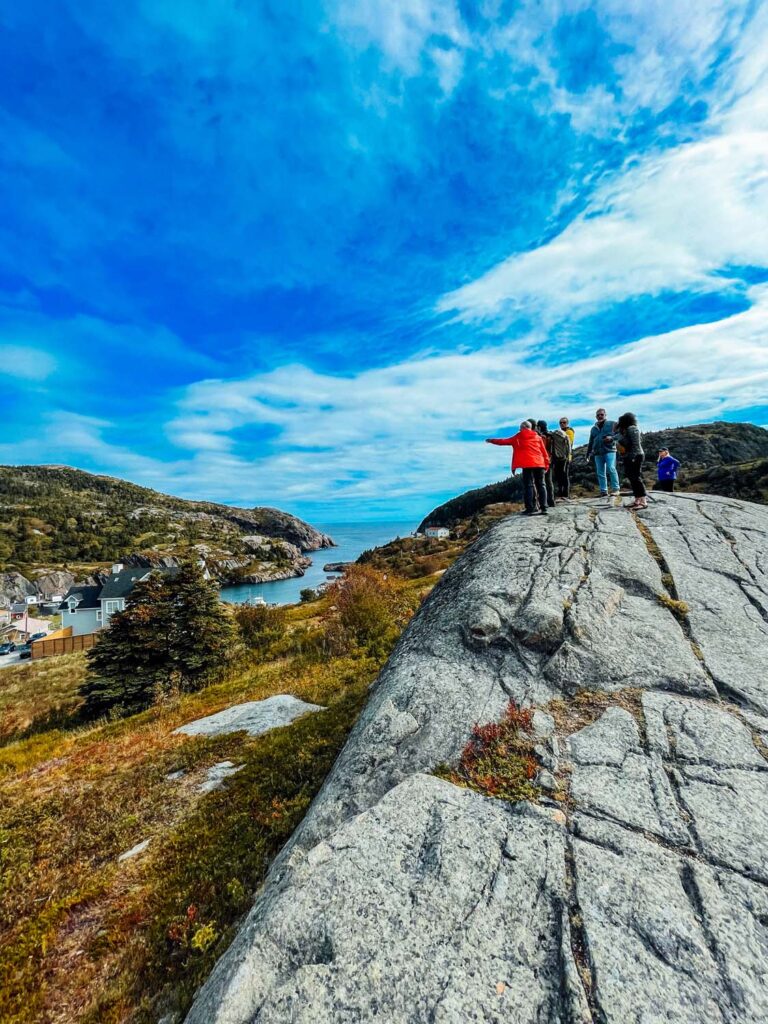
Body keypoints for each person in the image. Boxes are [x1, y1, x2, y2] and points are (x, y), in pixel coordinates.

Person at [486, 421, 550, 515]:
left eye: (520, 428)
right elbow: (544, 452)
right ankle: (544, 507)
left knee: (529, 485)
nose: (519, 429)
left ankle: (530, 508)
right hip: (539, 463)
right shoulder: (538, 437)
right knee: (541, 485)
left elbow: (503, 441)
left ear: (523, 427)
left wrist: (492, 440)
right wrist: (547, 463)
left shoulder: (518, 436)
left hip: (527, 464)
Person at [615, 412, 647, 509]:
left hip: (635, 456)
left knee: (636, 478)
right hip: (629, 456)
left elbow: (633, 444)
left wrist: (632, 457)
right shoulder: (626, 430)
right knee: (632, 478)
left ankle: (643, 501)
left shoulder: (632, 429)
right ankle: (637, 499)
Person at [586, 408, 620, 498]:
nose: (600, 416)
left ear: (605, 415)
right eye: (598, 415)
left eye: (602, 414)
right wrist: (588, 454)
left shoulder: (612, 424)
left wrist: (612, 438)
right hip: (597, 453)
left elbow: (620, 434)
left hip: (610, 450)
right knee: (600, 472)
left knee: (611, 468)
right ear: (596, 417)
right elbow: (591, 441)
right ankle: (603, 491)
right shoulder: (593, 429)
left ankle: (616, 489)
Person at [549, 421, 573, 499]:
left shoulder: (569, 432)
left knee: (562, 475)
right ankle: (563, 493)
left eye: (564, 422)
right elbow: (568, 447)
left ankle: (563, 493)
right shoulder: (562, 434)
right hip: (561, 458)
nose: (562, 424)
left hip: (561, 458)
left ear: (567, 423)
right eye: (561, 422)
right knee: (562, 475)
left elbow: (570, 444)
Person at [536, 420, 556, 507]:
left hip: (542, 461)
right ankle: (551, 501)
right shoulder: (550, 435)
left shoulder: (541, 437)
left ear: (539, 427)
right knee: (549, 481)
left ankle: (543, 503)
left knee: (541, 482)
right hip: (550, 459)